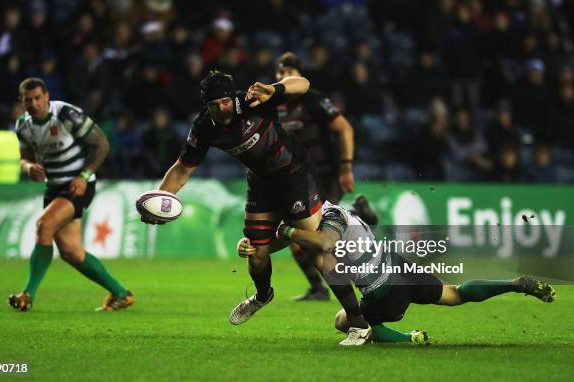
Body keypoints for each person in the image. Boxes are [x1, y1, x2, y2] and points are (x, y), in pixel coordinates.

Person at [141, 71, 369, 331]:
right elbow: (182, 170)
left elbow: (304, 85)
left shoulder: (253, 99)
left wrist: (275, 89)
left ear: (232, 97)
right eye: (214, 105)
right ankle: (262, 296)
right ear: (206, 106)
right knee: (255, 253)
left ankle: (358, 322)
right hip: (261, 184)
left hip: (294, 174)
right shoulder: (204, 127)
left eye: (225, 101)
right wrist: (161, 199)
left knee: (314, 247)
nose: (222, 108)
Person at [237, 201, 556, 345]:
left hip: (384, 290)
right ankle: (514, 284)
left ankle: (410, 339)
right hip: (400, 267)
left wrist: (285, 235)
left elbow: (318, 242)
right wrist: (260, 247)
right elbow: (296, 234)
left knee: (341, 321)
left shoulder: (325, 226)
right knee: (455, 294)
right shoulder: (334, 209)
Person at [9, 77, 133, 312]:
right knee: (71, 252)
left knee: (44, 225)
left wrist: (84, 176)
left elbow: (101, 144)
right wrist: (28, 168)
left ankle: (28, 294)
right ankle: (120, 294)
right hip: (54, 187)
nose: (34, 103)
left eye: (38, 98)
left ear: (47, 96)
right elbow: (25, 157)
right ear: (22, 102)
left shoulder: (66, 114)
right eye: (28, 100)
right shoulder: (22, 125)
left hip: (79, 185)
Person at [274, 51, 376, 301]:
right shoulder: (273, 105)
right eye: (280, 73)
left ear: (299, 76)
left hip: (324, 176)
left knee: (314, 236)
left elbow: (345, 129)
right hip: (295, 180)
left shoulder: (312, 99)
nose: (284, 77)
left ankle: (323, 289)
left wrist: (346, 168)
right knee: (302, 237)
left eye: (289, 72)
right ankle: (358, 214)